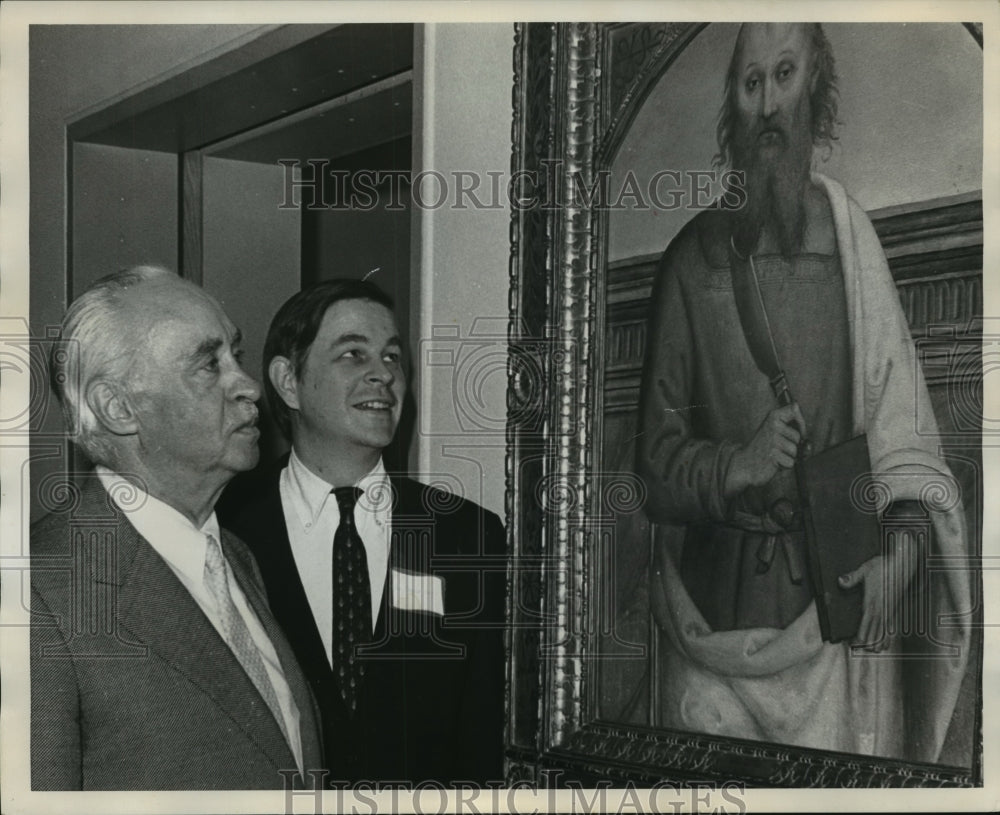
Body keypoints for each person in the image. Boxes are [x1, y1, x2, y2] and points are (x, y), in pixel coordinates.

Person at [635, 23, 969, 762]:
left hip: (835, 629)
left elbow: (906, 446)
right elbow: (654, 468)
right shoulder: (689, 263)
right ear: (732, 109)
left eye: (783, 76)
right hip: (709, 638)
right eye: (751, 85)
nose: (767, 107)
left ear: (814, 89)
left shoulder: (853, 242)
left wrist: (903, 552)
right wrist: (736, 465)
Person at [31, 266, 323, 790]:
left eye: (234, 353)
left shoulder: (232, 555)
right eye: (209, 365)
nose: (250, 386)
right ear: (118, 407)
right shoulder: (39, 591)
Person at [221, 279, 505, 786]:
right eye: (353, 354)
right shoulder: (226, 530)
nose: (384, 376)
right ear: (288, 382)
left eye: (393, 357)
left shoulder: (467, 535)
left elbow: (482, 737)